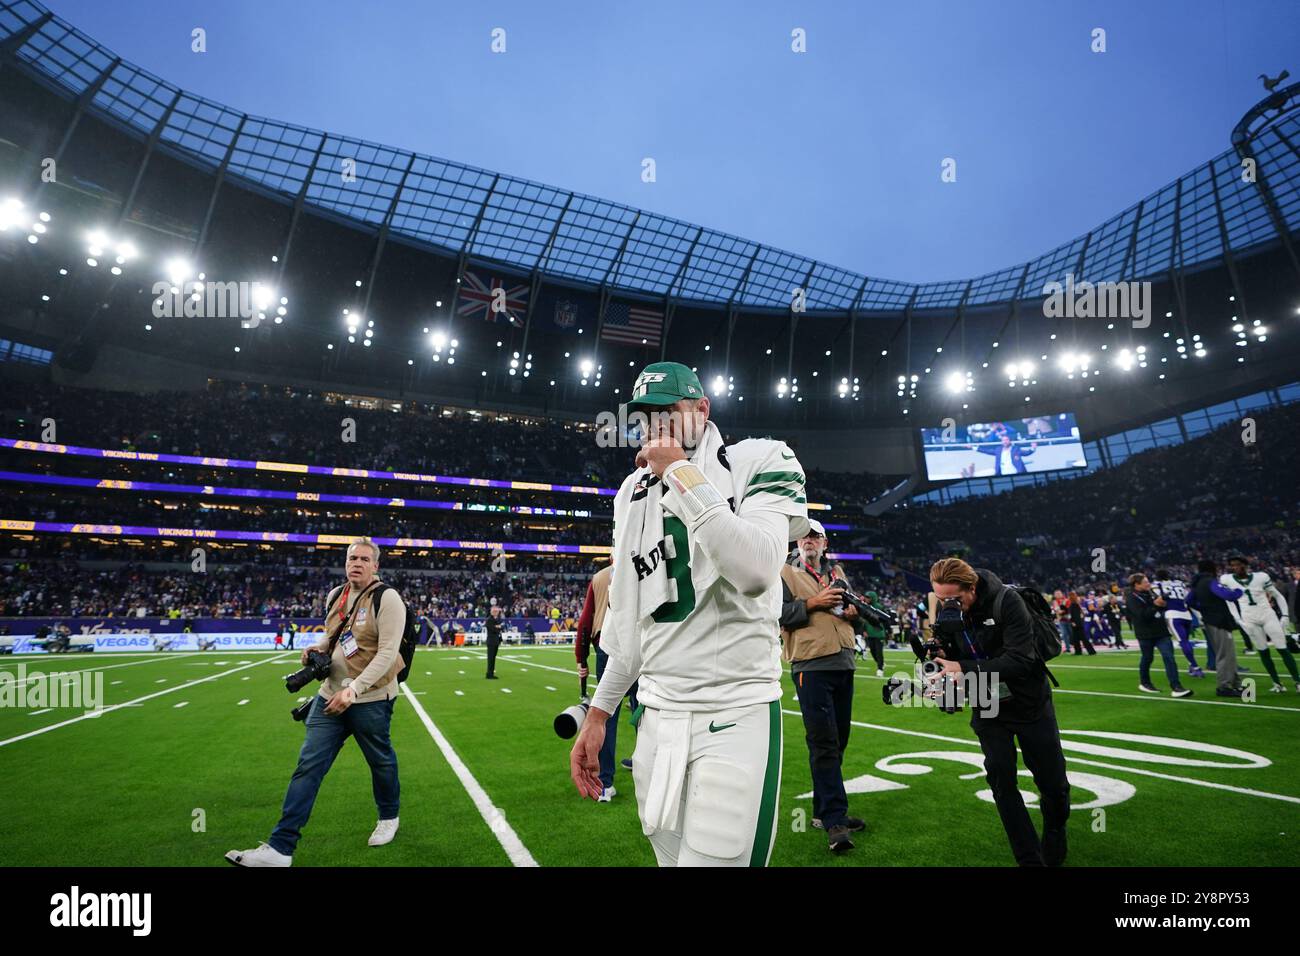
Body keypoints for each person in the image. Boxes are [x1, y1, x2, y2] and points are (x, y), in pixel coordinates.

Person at [568, 361, 808, 867]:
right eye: (645, 417)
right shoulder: (630, 494)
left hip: (734, 711)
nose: (655, 426)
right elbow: (631, 622)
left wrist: (679, 472)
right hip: (655, 719)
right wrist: (598, 715)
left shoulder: (760, 459)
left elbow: (757, 571)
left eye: (667, 412)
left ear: (702, 409)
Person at [226, 537, 406, 867]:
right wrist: (316, 647)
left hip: (371, 699)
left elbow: (388, 653)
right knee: (308, 765)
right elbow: (333, 635)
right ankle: (281, 849)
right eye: (353, 557)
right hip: (328, 696)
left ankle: (388, 817)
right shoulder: (336, 595)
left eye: (365, 559)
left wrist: (355, 690)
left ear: (376, 565)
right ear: (346, 561)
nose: (358, 563)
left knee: (380, 761)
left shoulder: (388, 598)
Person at [928, 557, 1070, 867]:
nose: (948, 604)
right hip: (987, 701)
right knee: (1001, 782)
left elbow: (1021, 661)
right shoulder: (947, 606)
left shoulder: (1008, 601)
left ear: (973, 587)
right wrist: (941, 655)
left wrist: (962, 666)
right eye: (941, 599)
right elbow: (954, 651)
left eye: (954, 598)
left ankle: (1056, 829)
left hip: (1028, 700)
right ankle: (1029, 858)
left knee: (1053, 784)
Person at [779, 519, 863, 852]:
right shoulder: (783, 572)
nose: (809, 540)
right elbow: (776, 612)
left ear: (825, 543)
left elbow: (848, 608)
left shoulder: (837, 572)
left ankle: (821, 810)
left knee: (839, 738)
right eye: (804, 536)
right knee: (824, 741)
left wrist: (853, 612)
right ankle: (834, 820)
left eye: (815, 536)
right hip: (811, 663)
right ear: (797, 542)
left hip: (843, 659)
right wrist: (813, 604)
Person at [575, 563, 630, 802]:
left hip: (608, 646)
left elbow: (586, 621)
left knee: (607, 715)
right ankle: (647, 766)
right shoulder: (642, 559)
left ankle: (605, 782)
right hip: (644, 642)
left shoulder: (599, 577)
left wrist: (581, 657)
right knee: (645, 709)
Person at [1221, 556, 1299, 694]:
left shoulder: (1261, 577)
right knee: (1263, 651)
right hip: (1249, 618)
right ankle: (1277, 683)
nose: (1234, 568)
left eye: (1237, 565)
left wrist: (1285, 615)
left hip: (1267, 615)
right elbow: (1229, 601)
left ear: (1245, 565)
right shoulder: (1227, 579)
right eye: (1232, 565)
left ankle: (1297, 681)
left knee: (1282, 648)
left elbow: (1278, 596)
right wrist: (1238, 620)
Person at [1126, 573, 1193, 698]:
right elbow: (1142, 615)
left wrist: (1162, 605)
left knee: (1169, 658)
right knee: (1147, 658)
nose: (1148, 583)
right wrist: (1156, 605)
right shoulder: (1131, 597)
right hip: (1145, 633)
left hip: (1161, 631)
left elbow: (1161, 608)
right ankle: (1145, 682)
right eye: (1145, 582)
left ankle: (1176, 686)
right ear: (1137, 584)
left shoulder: (1151, 593)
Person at [1189, 560, 1245, 698]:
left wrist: (1203, 609)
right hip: (1219, 621)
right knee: (1225, 655)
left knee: (1227, 654)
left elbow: (1189, 601)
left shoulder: (1197, 583)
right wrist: (1239, 590)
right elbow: (1228, 596)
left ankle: (1236, 684)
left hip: (1210, 621)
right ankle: (1224, 687)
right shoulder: (1211, 581)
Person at [1153, 570, 1205, 678]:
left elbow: (1159, 601)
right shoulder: (1178, 583)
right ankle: (1192, 665)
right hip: (1186, 614)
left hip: (1173, 615)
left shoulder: (1157, 585)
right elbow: (1186, 597)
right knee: (1186, 642)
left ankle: (1196, 667)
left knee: (1183, 642)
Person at [484, 605, 504, 679]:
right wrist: (498, 627)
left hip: (496, 641)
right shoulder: (489, 619)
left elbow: (501, 627)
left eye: (497, 611)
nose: (496, 612)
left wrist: (498, 627)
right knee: (490, 658)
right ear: (491, 612)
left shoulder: (498, 619)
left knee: (493, 658)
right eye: (494, 611)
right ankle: (489, 674)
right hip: (491, 641)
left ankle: (491, 673)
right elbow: (494, 629)